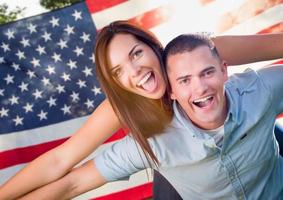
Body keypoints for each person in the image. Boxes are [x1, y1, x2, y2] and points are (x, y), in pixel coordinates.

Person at [1, 21, 283, 200]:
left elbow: (277, 44)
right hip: (178, 164)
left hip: (246, 134)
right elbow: (61, 164)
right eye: (118, 71)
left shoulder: (202, 52)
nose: (135, 72)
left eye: (136, 53)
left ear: (154, 47)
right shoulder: (126, 111)